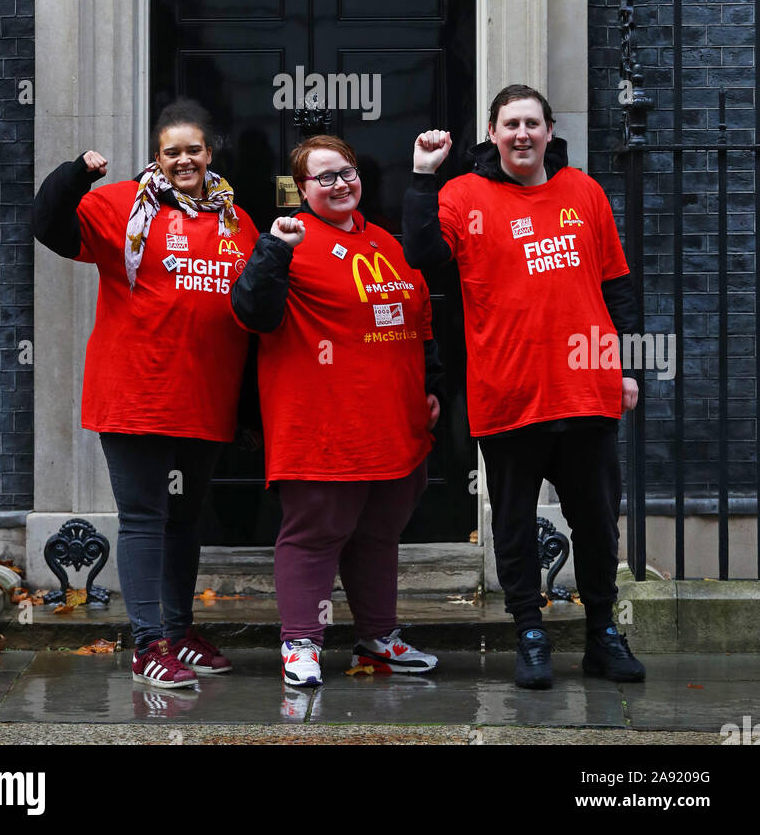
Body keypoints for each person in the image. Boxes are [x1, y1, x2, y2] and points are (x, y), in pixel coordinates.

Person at [402, 84, 646, 690]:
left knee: (596, 523)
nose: (521, 135)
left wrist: (628, 367)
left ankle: (601, 635)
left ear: (548, 130)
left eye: (532, 124)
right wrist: (422, 177)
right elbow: (421, 256)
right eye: (510, 124)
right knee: (512, 524)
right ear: (493, 132)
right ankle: (529, 633)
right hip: (507, 393)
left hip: (587, 391)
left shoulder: (584, 192)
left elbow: (617, 287)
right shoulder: (463, 195)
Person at [32, 98, 258, 689]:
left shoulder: (238, 221)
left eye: (194, 149)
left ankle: (178, 634)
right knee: (142, 519)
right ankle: (147, 643)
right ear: (156, 156)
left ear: (210, 154)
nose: (184, 160)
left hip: (205, 395)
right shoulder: (120, 206)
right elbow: (48, 224)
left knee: (185, 522)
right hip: (136, 392)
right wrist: (78, 171)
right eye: (171, 151)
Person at [231, 134, 443, 687]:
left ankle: (377, 641)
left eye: (346, 171)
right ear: (301, 190)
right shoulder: (289, 240)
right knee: (315, 533)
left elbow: (419, 319)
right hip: (321, 424)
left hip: (394, 423)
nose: (339, 183)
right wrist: (273, 250)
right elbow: (251, 313)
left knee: (378, 535)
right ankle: (301, 642)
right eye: (323, 177)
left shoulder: (388, 244)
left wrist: (432, 383)